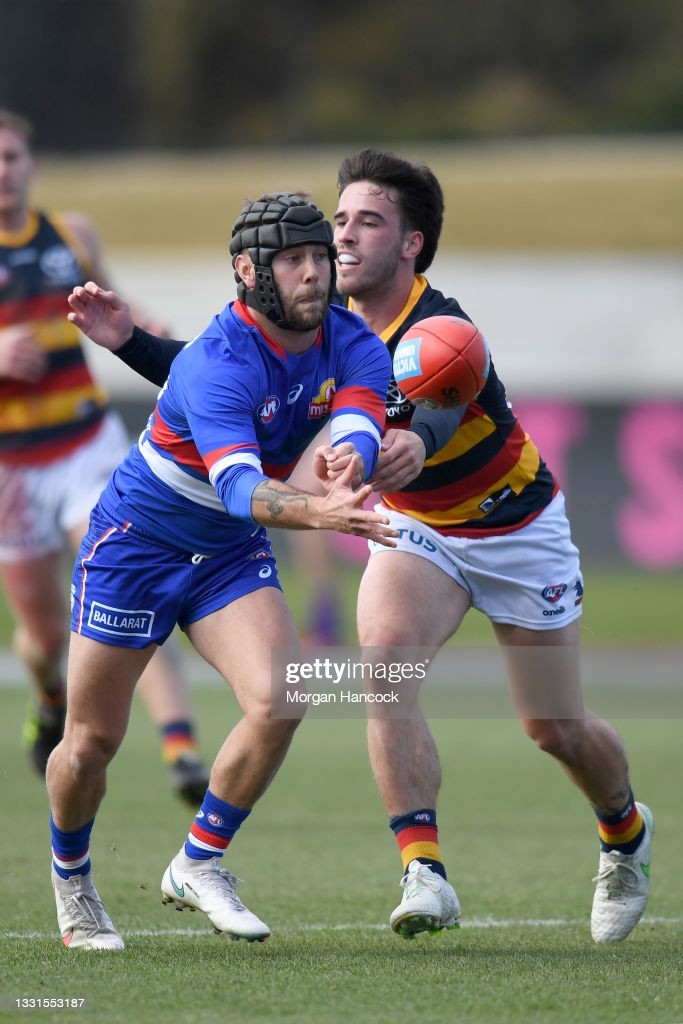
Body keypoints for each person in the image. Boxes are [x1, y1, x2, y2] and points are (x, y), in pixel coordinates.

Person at [77, 151, 654, 947]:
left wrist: (413, 441)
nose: (340, 237)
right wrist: (131, 342)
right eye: (337, 220)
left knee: (554, 727)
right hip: (413, 528)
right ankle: (424, 870)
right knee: (383, 669)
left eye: (366, 222)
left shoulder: (442, 329)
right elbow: (220, 375)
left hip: (512, 527)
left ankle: (623, 835)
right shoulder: (315, 316)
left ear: (412, 244)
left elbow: (438, 407)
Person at [49, 190, 395, 950]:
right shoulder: (217, 358)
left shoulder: (353, 339)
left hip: (223, 556)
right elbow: (241, 489)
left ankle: (199, 862)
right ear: (248, 270)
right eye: (293, 260)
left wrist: (350, 463)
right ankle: (72, 878)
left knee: (281, 697)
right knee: (89, 744)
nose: (313, 273)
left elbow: (365, 417)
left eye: (319, 258)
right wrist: (321, 511)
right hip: (135, 545)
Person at [0, 109, 210, 806]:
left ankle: (181, 748)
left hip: (89, 448)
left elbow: (108, 296)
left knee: (131, 578)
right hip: (13, 473)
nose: (4, 171)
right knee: (41, 633)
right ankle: (50, 693)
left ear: (30, 164)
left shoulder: (71, 234)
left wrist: (144, 326)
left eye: (12, 157)